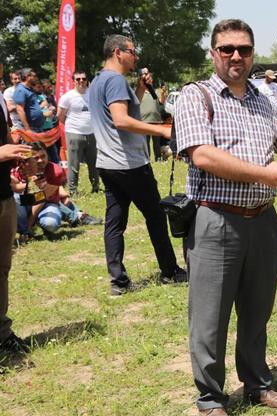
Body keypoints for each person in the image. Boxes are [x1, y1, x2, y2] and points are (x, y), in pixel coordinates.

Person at [176, 19, 277, 414]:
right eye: (227, 48)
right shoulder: (195, 97)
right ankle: (211, 397)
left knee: (257, 308)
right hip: (216, 219)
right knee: (209, 317)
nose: (236, 56)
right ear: (213, 53)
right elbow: (202, 155)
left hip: (263, 219)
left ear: (252, 55)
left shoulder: (264, 100)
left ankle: (256, 383)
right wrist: (267, 175)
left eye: (244, 50)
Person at [88, 34, 187, 296]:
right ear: (118, 52)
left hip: (107, 163)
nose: (136, 56)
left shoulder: (99, 80)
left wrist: (141, 90)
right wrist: (162, 131)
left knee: (115, 221)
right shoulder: (116, 80)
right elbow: (121, 121)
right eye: (132, 51)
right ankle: (170, 271)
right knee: (155, 217)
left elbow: (123, 113)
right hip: (129, 164)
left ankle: (118, 282)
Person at [0, 65, 32, 354]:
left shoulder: (0, 97)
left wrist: (14, 159)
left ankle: (2, 333)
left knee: (2, 268)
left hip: (3, 195)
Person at [11, 142, 101, 239]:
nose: (41, 160)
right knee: (14, 198)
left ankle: (30, 228)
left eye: (43, 156)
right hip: (30, 203)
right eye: (36, 158)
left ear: (47, 155)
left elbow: (41, 199)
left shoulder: (55, 170)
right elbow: (13, 187)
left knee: (50, 223)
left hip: (44, 202)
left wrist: (29, 225)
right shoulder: (20, 168)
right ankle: (76, 216)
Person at [57, 71, 99, 195]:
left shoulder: (93, 94)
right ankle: (73, 190)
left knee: (94, 162)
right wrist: (72, 126)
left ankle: (96, 187)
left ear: (87, 80)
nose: (81, 81)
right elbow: (60, 115)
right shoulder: (67, 96)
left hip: (92, 133)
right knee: (73, 163)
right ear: (73, 81)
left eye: (83, 79)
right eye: (78, 79)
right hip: (74, 133)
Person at [12, 68, 44, 133]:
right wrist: (27, 129)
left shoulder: (29, 89)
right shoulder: (21, 90)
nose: (36, 78)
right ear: (27, 77)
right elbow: (20, 110)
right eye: (34, 76)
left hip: (37, 127)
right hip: (31, 128)